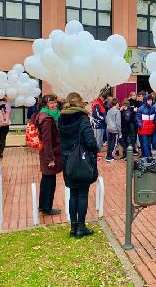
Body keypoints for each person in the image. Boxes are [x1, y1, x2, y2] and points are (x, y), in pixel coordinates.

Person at [59, 92, 99, 238]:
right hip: (81, 159)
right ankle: (81, 227)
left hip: (67, 160)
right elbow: (90, 140)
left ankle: (73, 227)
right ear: (80, 102)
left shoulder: (61, 118)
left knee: (73, 195)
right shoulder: (82, 118)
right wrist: (95, 149)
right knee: (82, 194)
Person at [31, 94, 63, 215]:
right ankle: (47, 208)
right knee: (50, 182)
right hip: (49, 154)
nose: (54, 105)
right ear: (46, 105)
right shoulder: (47, 119)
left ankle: (43, 205)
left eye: (55, 102)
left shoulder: (43, 116)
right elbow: (47, 140)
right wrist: (50, 159)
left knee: (46, 180)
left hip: (46, 152)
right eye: (51, 103)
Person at [105, 98, 121, 162]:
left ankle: (108, 156)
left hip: (109, 129)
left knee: (109, 143)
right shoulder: (117, 112)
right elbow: (118, 123)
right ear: (117, 104)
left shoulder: (109, 110)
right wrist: (120, 132)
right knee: (114, 144)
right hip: (115, 130)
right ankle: (110, 157)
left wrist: (109, 125)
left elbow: (106, 119)